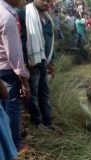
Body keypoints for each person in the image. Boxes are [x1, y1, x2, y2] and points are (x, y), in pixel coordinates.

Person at [17, 0, 59, 132]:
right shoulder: (23, 13)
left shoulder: (48, 18)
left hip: (43, 62)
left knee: (45, 93)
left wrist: (51, 60)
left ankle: (48, 122)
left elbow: (50, 41)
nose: (47, 3)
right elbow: (19, 40)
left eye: (50, 1)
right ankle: (37, 122)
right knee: (33, 94)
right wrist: (23, 64)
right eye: (44, 0)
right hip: (31, 62)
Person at [0, 0, 31, 151]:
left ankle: (6, 144)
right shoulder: (7, 17)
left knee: (3, 109)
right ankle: (15, 144)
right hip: (8, 70)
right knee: (13, 106)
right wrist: (24, 82)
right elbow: (15, 55)